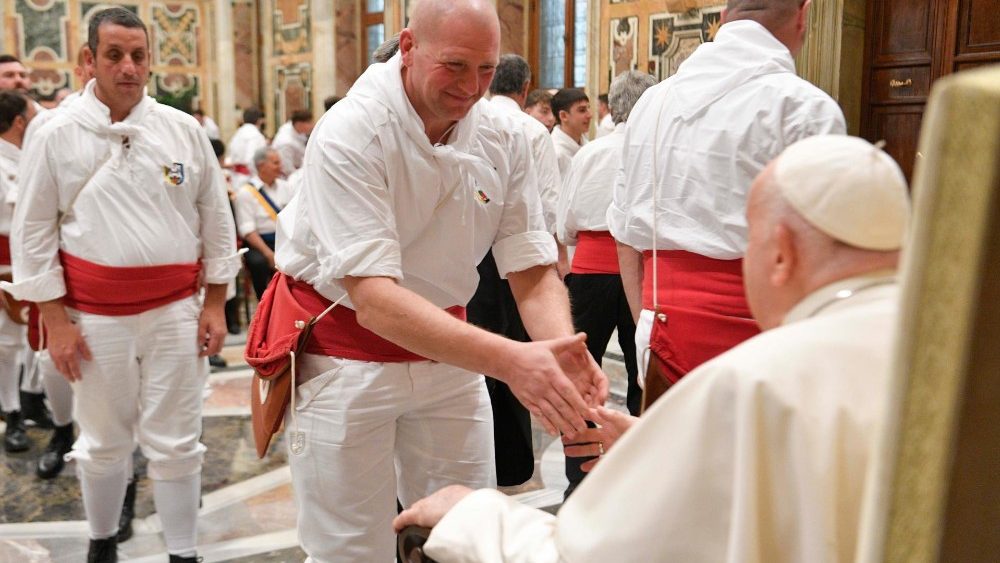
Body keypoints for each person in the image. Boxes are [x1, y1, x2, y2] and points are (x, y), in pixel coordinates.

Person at [395, 135, 911, 563]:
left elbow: (595, 556)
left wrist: (472, 516)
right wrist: (663, 442)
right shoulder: (935, 356)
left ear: (782, 253)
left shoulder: (751, 380)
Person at [269, 0, 607, 560]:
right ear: (407, 47)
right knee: (349, 548)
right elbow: (375, 300)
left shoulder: (507, 135)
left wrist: (559, 349)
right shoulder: (352, 130)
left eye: (485, 69)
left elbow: (529, 266)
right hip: (345, 358)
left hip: (450, 357)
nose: (471, 87)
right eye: (454, 65)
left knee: (464, 532)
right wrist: (511, 361)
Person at [4, 8, 239, 562]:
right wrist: (56, 321)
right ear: (89, 59)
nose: (128, 67)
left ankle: (183, 551)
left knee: (178, 438)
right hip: (93, 317)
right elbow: (33, 231)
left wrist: (215, 303)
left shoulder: (182, 129)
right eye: (114, 55)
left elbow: (215, 218)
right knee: (103, 440)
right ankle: (102, 540)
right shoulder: (54, 132)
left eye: (138, 55)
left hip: (174, 312)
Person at [610, 0, 846, 396]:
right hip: (766, 340)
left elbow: (624, 236)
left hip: (662, 336)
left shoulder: (652, 102)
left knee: (673, 438)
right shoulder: (805, 108)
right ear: (804, 16)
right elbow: (824, 255)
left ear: (723, 17)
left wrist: (646, 322)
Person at [557, 70, 655, 496]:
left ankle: (578, 477)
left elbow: (565, 222)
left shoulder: (589, 153)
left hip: (589, 272)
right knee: (642, 374)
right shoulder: (654, 152)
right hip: (643, 273)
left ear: (612, 107)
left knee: (579, 374)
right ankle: (641, 475)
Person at [0, 91, 35, 453]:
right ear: (20, 122)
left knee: (29, 340)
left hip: (30, 261)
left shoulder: (28, 157)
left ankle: (30, 401)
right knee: (7, 344)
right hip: (5, 266)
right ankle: (12, 414)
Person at [235, 147, 294, 299]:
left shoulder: (286, 187)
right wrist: (269, 254)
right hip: (259, 243)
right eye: (275, 163)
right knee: (259, 263)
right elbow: (248, 231)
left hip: (284, 239)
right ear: (261, 166)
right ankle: (265, 302)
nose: (280, 166)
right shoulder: (245, 193)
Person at [550, 88, 592, 179]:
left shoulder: (588, 145)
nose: (590, 115)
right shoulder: (555, 153)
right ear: (563, 116)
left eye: (588, 108)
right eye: (582, 110)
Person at [225, 106, 266, 182]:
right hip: (249, 179)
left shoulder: (237, 134)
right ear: (259, 120)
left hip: (235, 177)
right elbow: (250, 159)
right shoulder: (256, 136)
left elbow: (229, 155)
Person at [271, 109, 313, 176]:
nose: (312, 125)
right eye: (309, 123)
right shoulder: (286, 142)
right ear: (299, 124)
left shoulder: (297, 130)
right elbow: (287, 169)